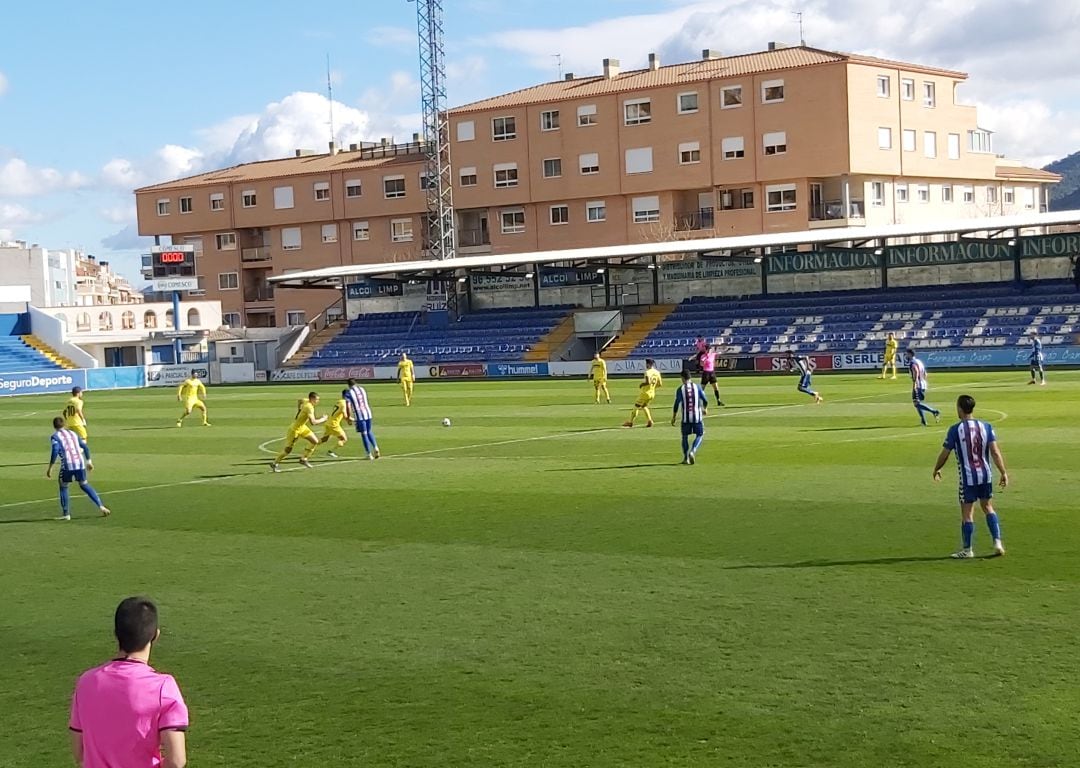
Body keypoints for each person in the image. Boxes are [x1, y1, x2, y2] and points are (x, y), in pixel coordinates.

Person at [70, 597, 188, 768]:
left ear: (116, 633)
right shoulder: (162, 687)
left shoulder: (86, 682)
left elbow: (79, 752)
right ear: (155, 635)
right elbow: (176, 761)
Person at [932, 394, 1008, 558]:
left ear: (960, 408)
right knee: (988, 507)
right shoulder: (986, 426)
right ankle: (997, 542)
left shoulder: (955, 430)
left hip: (968, 478)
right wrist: (1003, 472)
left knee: (967, 514)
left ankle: (967, 550)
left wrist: (937, 468)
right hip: (985, 475)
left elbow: (945, 453)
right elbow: (995, 452)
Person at [47, 416, 110, 520]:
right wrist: (89, 461)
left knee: (63, 485)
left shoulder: (55, 436)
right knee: (84, 484)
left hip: (67, 465)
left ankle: (66, 514)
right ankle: (101, 506)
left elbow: (55, 450)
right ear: (64, 424)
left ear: (54, 426)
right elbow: (84, 446)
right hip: (80, 463)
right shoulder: (73, 433)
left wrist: (50, 467)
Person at [271, 392, 326, 472]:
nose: (318, 401)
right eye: (317, 399)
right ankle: (275, 463)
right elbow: (313, 422)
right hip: (295, 430)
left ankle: (304, 459)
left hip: (302, 427)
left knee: (315, 441)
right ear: (312, 399)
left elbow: (299, 400)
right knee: (288, 450)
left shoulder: (306, 400)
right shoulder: (309, 407)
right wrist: (323, 419)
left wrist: (299, 410)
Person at [671, 369, 708, 464]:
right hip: (697, 417)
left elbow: (676, 404)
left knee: (684, 436)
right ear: (690, 377)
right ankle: (693, 450)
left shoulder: (680, 389)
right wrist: (705, 408)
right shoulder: (698, 387)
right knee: (700, 434)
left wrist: (674, 417)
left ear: (682, 378)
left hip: (685, 418)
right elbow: (705, 400)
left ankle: (685, 458)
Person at [343, 378, 380, 460]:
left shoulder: (349, 393)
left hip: (360, 415)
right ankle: (376, 447)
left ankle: (368, 454)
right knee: (369, 431)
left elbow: (348, 406)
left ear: (348, 385)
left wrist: (348, 417)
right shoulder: (362, 389)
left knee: (364, 434)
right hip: (368, 413)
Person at [904, 349, 941, 426]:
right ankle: (923, 421)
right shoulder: (919, 361)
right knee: (918, 403)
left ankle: (934, 411)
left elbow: (916, 371)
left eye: (907, 354)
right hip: (923, 383)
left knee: (916, 404)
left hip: (918, 385)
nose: (906, 356)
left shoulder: (913, 363)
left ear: (910, 354)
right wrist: (923, 381)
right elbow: (925, 374)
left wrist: (915, 383)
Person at [623, 359, 662, 427]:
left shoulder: (647, 372)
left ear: (648, 364)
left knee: (636, 406)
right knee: (644, 406)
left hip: (645, 393)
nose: (646, 365)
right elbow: (660, 384)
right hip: (652, 393)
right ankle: (650, 421)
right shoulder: (657, 372)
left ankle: (630, 422)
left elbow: (648, 382)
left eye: (646, 364)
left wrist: (642, 384)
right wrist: (652, 388)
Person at [319, 391, 352, 458]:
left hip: (329, 423)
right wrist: (355, 420)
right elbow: (345, 416)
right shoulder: (344, 404)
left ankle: (309, 447)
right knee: (344, 439)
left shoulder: (339, 402)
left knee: (324, 439)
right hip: (334, 425)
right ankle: (330, 451)